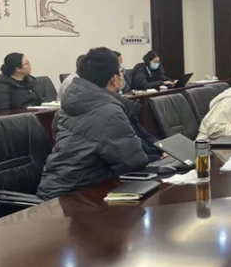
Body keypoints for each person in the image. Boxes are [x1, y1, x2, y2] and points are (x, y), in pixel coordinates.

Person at [37, 48, 149, 201]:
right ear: (114, 79)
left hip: (58, 187)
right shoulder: (109, 112)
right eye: (120, 71)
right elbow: (134, 161)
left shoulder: (71, 103)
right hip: (75, 195)